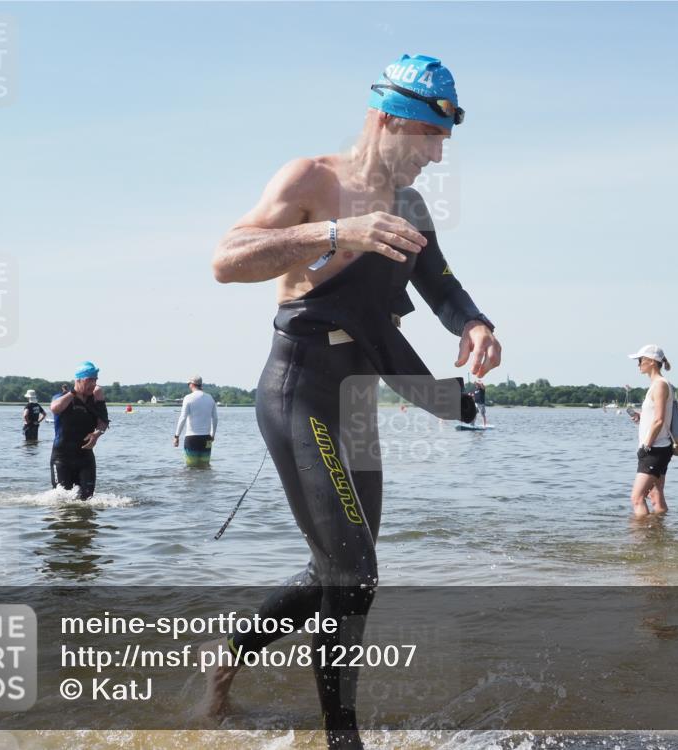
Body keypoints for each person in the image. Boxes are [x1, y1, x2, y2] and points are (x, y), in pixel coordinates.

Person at [206, 54, 500, 749]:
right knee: (353, 569)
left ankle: (228, 654)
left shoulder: (412, 207)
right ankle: (344, 740)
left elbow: (443, 286)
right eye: (428, 138)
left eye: (442, 144)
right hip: (298, 387)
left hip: (358, 394)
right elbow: (226, 259)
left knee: (343, 565)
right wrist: (336, 233)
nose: (434, 156)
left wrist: (476, 325)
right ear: (388, 118)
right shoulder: (312, 178)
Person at [627, 345, 674, 518]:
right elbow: (656, 417)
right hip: (659, 447)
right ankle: (659, 536)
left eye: (640, 360)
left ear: (652, 362)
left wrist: (646, 446)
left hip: (655, 449)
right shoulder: (657, 385)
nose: (638, 364)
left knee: (637, 498)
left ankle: (641, 539)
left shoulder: (660, 385)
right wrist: (641, 418)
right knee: (655, 495)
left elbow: (660, 420)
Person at [50, 363, 109, 500]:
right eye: (89, 380)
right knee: (62, 499)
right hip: (62, 458)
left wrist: (97, 433)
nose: (93, 384)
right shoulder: (63, 397)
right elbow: (55, 408)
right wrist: (74, 393)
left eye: (95, 380)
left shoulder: (94, 401)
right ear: (78, 380)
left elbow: (103, 421)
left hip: (85, 457)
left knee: (87, 499)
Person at [173, 376, 218, 466]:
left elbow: (183, 418)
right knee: (205, 466)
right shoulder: (210, 398)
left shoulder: (188, 398)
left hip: (192, 438)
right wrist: (212, 435)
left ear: (192, 384)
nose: (189, 385)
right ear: (200, 385)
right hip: (206, 438)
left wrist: (176, 436)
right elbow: (215, 418)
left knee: (191, 468)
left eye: (189, 384)